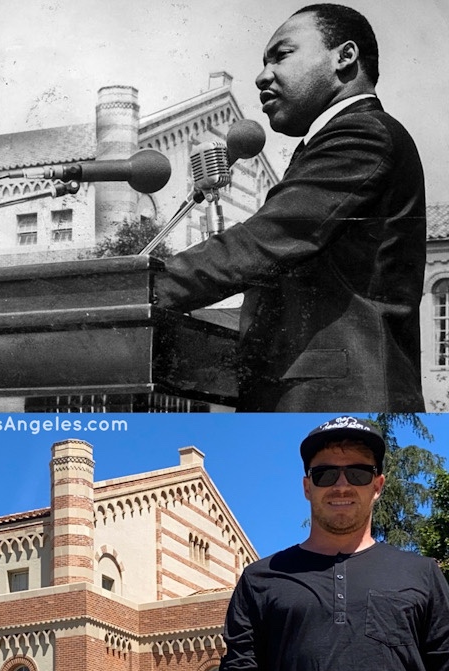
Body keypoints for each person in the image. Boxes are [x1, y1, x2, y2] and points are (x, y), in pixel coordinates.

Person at [156, 4, 426, 412]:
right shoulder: (330, 144)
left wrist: (131, 291)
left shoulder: (364, 133)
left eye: (281, 55)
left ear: (345, 57)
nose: (262, 75)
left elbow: (264, 243)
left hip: (342, 401)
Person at [218, 416, 449, 671]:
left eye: (358, 473)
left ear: (378, 485)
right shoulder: (260, 580)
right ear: (307, 486)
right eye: (326, 474)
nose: (341, 485)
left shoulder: (421, 574)